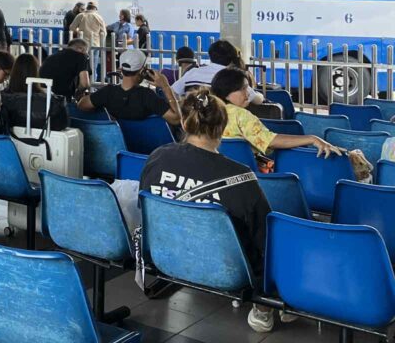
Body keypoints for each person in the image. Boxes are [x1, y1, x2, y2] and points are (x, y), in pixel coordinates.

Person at [139, 87, 285, 334]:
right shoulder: (240, 176)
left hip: (166, 255)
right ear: (222, 127)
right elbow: (266, 239)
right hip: (227, 270)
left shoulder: (158, 157)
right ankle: (264, 304)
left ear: (184, 123)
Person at [211, 68, 344, 158]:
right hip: (250, 175)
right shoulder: (240, 116)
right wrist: (312, 138)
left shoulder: (206, 111)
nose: (248, 93)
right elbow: (270, 141)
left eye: (248, 88)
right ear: (227, 94)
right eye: (242, 89)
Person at [77, 49, 182, 125]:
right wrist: (165, 86)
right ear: (142, 71)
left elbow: (82, 105)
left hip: (121, 146)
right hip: (147, 149)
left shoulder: (107, 93)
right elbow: (176, 119)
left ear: (120, 69)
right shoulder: (147, 96)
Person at [171, 39, 263, 105]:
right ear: (232, 59)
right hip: (221, 126)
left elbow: (173, 91)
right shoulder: (234, 77)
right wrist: (260, 95)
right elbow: (257, 100)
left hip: (194, 123)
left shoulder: (193, 73)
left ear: (210, 56)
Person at [1, 60, 54, 131]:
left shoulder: (7, 96)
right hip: (45, 137)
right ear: (35, 73)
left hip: (12, 136)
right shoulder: (48, 95)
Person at [71, 2, 107, 82]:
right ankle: (92, 85)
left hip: (81, 45)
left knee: (80, 66)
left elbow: (72, 28)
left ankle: (80, 85)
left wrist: (79, 31)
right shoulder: (99, 17)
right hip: (95, 45)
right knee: (93, 66)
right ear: (95, 9)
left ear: (87, 8)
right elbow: (104, 33)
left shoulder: (81, 15)